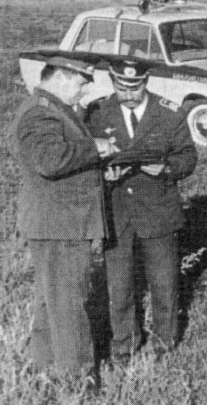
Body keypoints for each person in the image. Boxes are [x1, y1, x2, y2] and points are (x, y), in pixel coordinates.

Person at [7, 56, 114, 380]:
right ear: (64, 76)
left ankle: (46, 368)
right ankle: (77, 380)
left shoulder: (48, 108)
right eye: (81, 83)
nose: (83, 92)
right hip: (61, 225)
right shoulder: (41, 113)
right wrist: (95, 147)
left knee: (51, 301)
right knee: (68, 304)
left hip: (57, 222)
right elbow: (50, 161)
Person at [84, 59, 197, 362]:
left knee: (164, 282)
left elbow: (188, 156)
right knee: (119, 285)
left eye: (135, 87)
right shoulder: (96, 112)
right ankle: (125, 345)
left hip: (158, 210)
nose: (129, 94)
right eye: (122, 87)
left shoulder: (168, 113)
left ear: (146, 82)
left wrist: (167, 168)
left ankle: (165, 343)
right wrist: (103, 175)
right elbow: (87, 158)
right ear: (112, 81)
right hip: (116, 212)